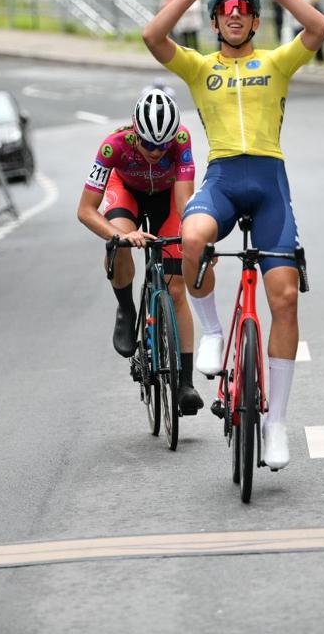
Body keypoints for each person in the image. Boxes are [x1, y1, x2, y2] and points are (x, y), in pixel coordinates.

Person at [142, 0, 324, 470]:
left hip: (269, 185)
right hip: (224, 180)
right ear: (214, 20)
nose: (233, 16)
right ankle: (210, 331)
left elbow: (319, 26)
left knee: (285, 298)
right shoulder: (201, 68)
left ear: (253, 21)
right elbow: (153, 37)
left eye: (243, 10)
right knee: (192, 237)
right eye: (224, 10)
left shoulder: (275, 63)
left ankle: (277, 424)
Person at [75, 89, 203, 416]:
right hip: (127, 194)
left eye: (162, 146)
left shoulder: (181, 140)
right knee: (117, 243)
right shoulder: (112, 146)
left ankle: (185, 383)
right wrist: (123, 234)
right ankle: (126, 308)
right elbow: (86, 210)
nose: (155, 152)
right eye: (147, 144)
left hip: (167, 199)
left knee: (175, 288)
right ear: (134, 132)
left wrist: (193, 237)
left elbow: (184, 201)